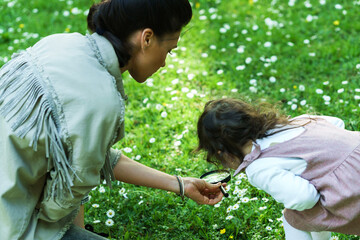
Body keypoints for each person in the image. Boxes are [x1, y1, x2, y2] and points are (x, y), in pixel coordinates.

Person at [0, 0, 225, 239]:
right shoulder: (100, 98)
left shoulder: (60, 43)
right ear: (146, 38)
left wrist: (180, 184)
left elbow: (86, 155)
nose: (164, 62)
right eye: (168, 50)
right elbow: (60, 204)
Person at [196, 98, 360, 240]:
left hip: (354, 187)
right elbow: (337, 123)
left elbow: (305, 198)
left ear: (221, 153)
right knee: (306, 215)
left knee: (294, 219)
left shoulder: (259, 167)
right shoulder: (297, 122)